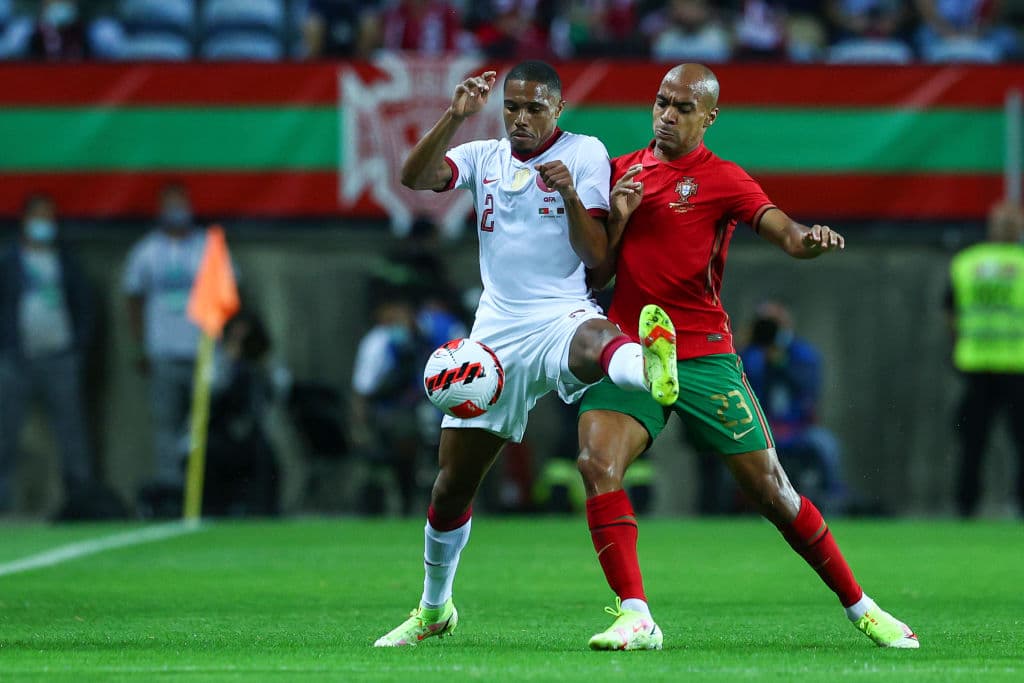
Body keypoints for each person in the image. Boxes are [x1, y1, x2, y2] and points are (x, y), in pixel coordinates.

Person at [575, 63, 918, 651]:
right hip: (632, 348)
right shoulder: (619, 173)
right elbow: (597, 271)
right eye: (661, 102)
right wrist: (621, 218)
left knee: (774, 493)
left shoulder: (725, 179)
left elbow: (784, 232)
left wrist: (809, 241)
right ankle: (636, 614)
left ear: (709, 117)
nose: (667, 115)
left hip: (704, 354)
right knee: (595, 462)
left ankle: (862, 607)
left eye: (683, 107)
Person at [373, 60, 679, 647]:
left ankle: (650, 366)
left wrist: (567, 191)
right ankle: (434, 609)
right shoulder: (484, 156)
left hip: (560, 311)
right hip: (494, 334)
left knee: (595, 341)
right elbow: (415, 177)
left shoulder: (585, 153)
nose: (521, 118)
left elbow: (595, 260)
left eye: (535, 107)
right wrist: (454, 116)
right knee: (450, 486)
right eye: (512, 106)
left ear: (557, 109)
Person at [0, 193, 94, 513]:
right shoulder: (8, 261)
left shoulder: (65, 261)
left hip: (59, 358)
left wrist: (78, 345)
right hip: (16, 359)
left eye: (49, 217)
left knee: (72, 437)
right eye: (38, 217)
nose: (44, 224)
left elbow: (85, 305)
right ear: (24, 220)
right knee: (5, 434)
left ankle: (81, 502)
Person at [123, 181, 207, 516]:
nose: (176, 210)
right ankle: (173, 494)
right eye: (169, 204)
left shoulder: (207, 248)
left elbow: (230, 294)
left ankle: (205, 492)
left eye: (181, 203)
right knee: (166, 427)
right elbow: (132, 298)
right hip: (163, 351)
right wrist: (139, 346)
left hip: (202, 353)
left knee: (202, 425)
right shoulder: (146, 252)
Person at [946, 200, 1024, 517]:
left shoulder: (967, 263)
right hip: (1016, 365)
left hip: (975, 364)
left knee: (972, 443)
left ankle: (966, 507)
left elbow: (950, 313)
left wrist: (960, 343)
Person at [739, 301, 849, 514]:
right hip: (761, 429)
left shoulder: (803, 354)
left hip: (798, 429)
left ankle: (834, 504)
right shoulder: (750, 356)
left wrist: (781, 363)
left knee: (827, 446)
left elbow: (810, 388)